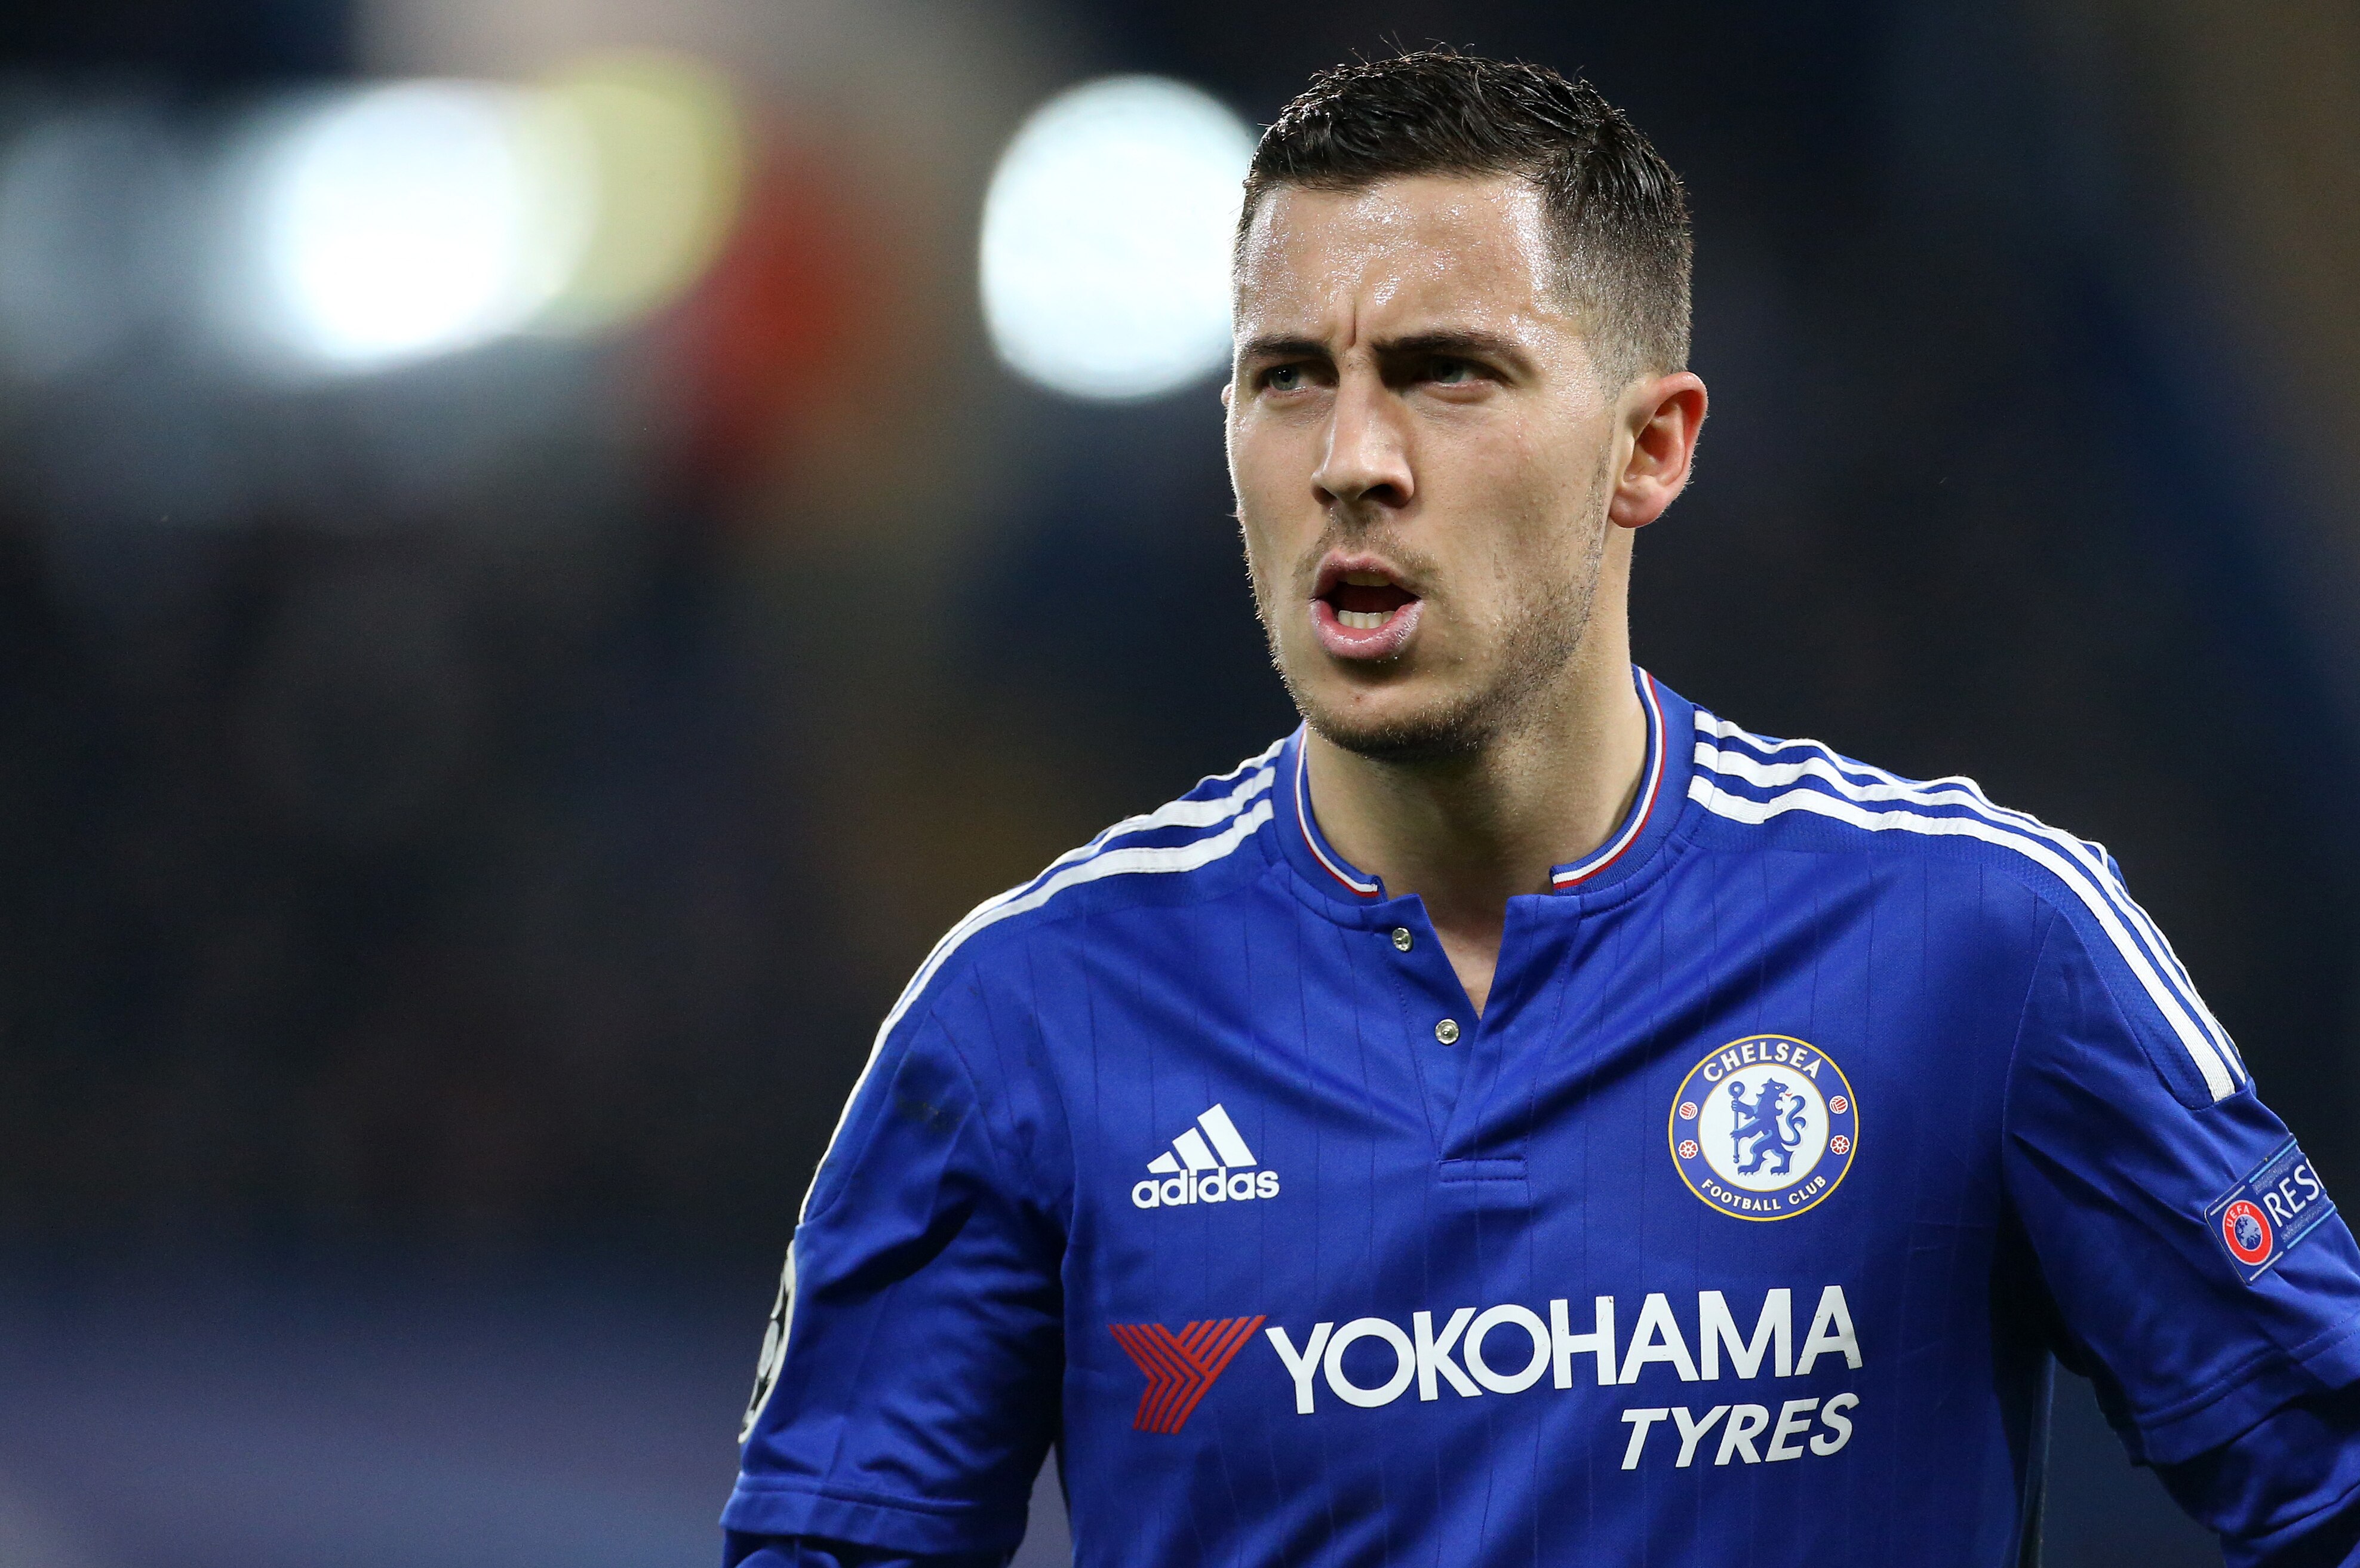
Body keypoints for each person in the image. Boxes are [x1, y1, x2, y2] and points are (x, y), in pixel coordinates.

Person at [723, 50, 2360, 1567]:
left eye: (1445, 374)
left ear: (1649, 448)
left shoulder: (1978, 946)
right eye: (1287, 379)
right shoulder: (1032, 1016)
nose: (1352, 459)